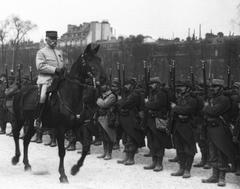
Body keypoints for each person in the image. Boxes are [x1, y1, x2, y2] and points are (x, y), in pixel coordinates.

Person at [202, 79, 237, 187]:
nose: (213, 88)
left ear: (221, 88)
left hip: (220, 129)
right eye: (212, 86)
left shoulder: (224, 99)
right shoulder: (212, 98)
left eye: (216, 86)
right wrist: (207, 108)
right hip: (211, 128)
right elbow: (205, 112)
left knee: (221, 152)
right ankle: (214, 176)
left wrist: (207, 107)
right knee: (213, 153)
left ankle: (222, 177)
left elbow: (214, 111)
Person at [34, 31, 65, 129]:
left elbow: (61, 65)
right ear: (46, 39)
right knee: (43, 96)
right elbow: (40, 66)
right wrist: (54, 70)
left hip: (59, 79)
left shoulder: (59, 52)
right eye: (52, 39)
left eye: (55, 39)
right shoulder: (41, 52)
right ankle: (38, 119)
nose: (54, 41)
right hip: (46, 80)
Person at [169, 81, 198, 179]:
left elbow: (186, 110)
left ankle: (187, 170)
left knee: (189, 149)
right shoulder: (180, 98)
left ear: (188, 88)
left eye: (182, 86)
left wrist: (175, 108)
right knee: (179, 149)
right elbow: (176, 112)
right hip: (178, 126)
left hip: (188, 127)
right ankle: (181, 168)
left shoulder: (192, 100)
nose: (180, 88)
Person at [143, 78, 172, 171]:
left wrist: (147, 103)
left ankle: (159, 163)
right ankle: (154, 162)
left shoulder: (161, 93)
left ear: (157, 84)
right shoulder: (153, 93)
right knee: (151, 142)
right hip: (151, 119)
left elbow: (157, 105)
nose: (150, 86)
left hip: (158, 119)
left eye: (152, 84)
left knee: (159, 142)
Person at [117, 79, 145, 165]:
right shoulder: (128, 93)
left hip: (132, 119)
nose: (125, 86)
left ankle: (131, 158)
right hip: (126, 119)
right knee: (125, 139)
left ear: (131, 85)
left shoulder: (135, 94)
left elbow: (125, 103)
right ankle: (127, 157)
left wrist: (120, 101)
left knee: (131, 139)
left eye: (127, 84)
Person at [97, 82, 117, 160]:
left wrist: (98, 100)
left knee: (109, 136)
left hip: (108, 117)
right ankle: (105, 152)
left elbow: (104, 104)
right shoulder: (103, 95)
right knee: (103, 136)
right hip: (101, 117)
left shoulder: (112, 96)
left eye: (103, 85)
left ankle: (109, 153)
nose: (102, 87)